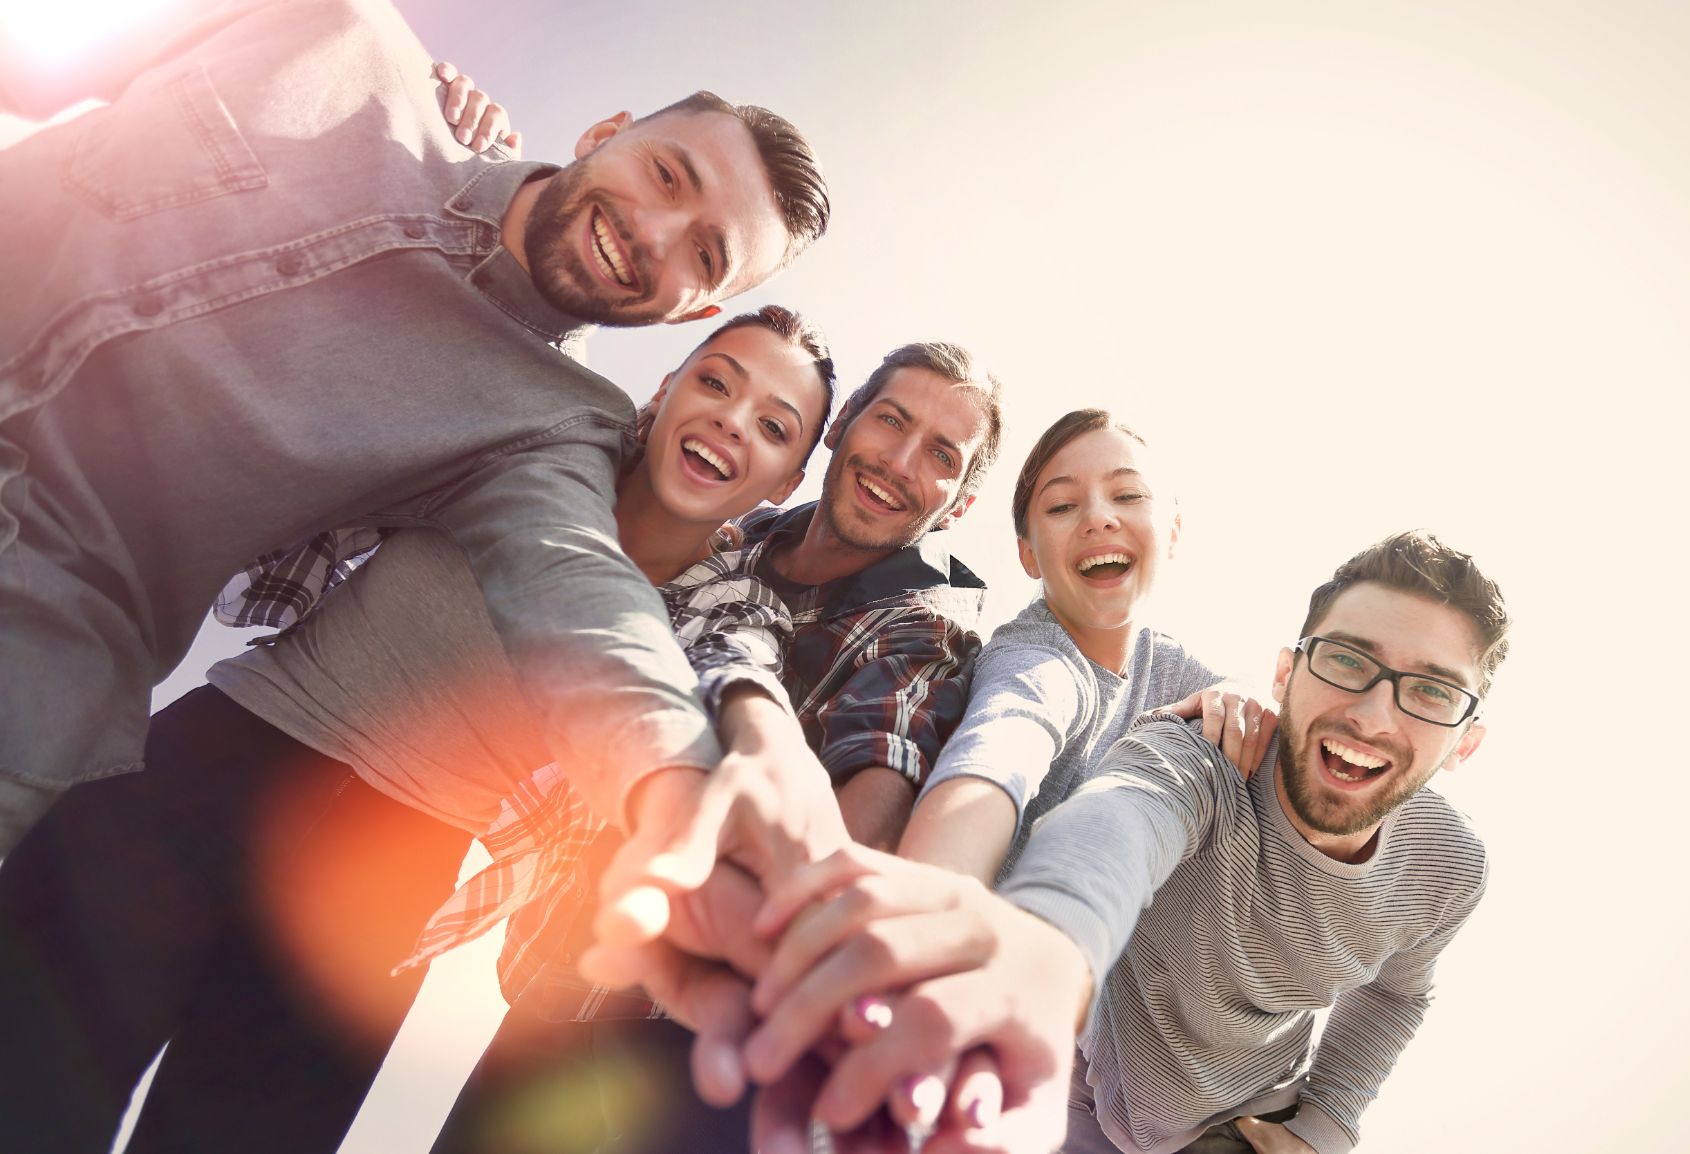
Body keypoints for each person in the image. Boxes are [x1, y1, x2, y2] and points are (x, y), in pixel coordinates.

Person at [0, 0, 831, 867]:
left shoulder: (544, 426)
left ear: (693, 310)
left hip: (39, 641)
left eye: (704, 253)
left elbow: (585, 591)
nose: (651, 235)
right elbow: (36, 63)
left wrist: (678, 782)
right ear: (605, 132)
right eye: (666, 175)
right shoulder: (339, 33)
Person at [0, 304, 838, 1154]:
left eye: (773, 425)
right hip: (212, 769)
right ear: (666, 388)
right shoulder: (538, 435)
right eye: (715, 381)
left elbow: (740, 672)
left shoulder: (729, 607)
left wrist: (769, 749)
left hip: (385, 887)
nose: (731, 420)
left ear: (783, 484)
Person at [747, 530, 1510, 1154]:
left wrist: (1328, 1125)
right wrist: (1041, 955)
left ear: (1466, 744)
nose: (1374, 715)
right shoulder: (1207, 753)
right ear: (1287, 673)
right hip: (1086, 1091)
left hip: (1239, 1127)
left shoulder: (1449, 868)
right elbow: (1117, 824)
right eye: (1347, 660)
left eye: (1431, 691)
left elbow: (1400, 991)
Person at [437, 340, 1007, 1154]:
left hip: (696, 1051)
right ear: (842, 425)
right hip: (550, 996)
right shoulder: (727, 541)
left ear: (957, 505)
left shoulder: (924, 630)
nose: (901, 461)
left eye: (942, 455)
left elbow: (867, 812)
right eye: (892, 421)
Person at [901, 408, 1269, 884]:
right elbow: (1001, 742)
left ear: (1173, 531)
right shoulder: (1030, 658)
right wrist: (934, 879)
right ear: (1028, 554)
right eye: (1061, 506)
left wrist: (1246, 687)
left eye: (1128, 495)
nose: (1098, 518)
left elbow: (1269, 704)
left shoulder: (1169, 666)